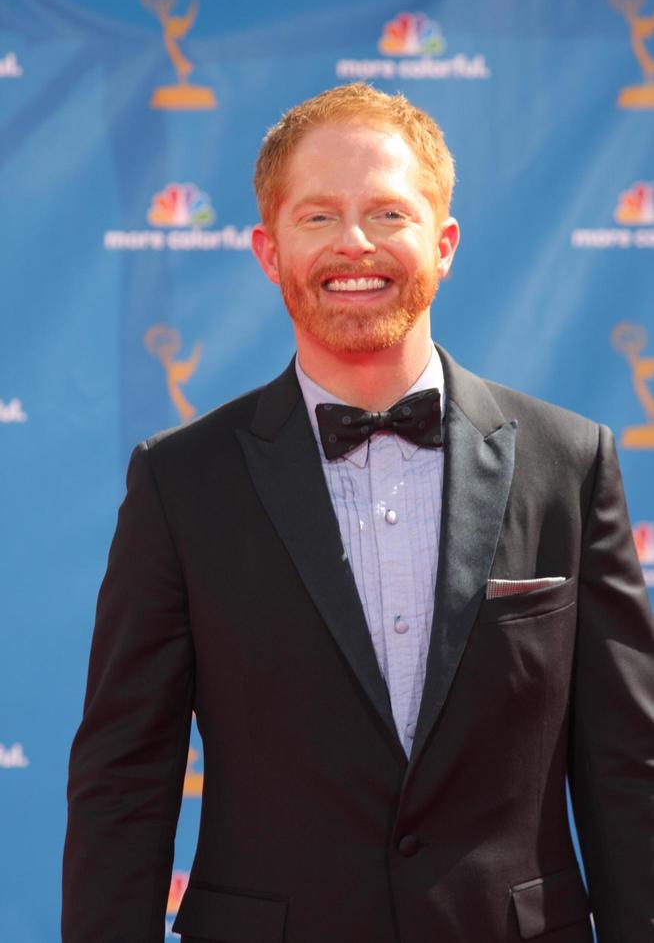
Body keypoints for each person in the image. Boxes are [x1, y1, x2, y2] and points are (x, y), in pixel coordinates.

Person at [63, 83, 654, 943]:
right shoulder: (180, 484)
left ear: (444, 243)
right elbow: (124, 781)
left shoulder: (570, 462)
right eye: (317, 218)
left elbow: (629, 770)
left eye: (388, 213)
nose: (354, 244)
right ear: (268, 251)